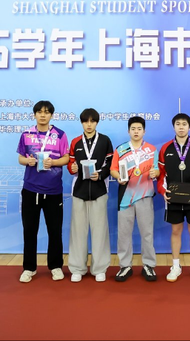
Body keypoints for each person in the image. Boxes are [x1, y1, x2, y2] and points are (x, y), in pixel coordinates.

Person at [16, 100, 70, 283]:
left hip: (53, 190)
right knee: (29, 230)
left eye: (46, 112)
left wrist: (53, 162)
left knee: (55, 231)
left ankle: (55, 266)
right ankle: (29, 268)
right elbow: (20, 158)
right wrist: (28, 161)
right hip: (30, 189)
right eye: (39, 112)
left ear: (51, 115)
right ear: (34, 114)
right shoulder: (26, 134)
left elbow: (66, 158)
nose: (43, 115)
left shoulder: (60, 135)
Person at [157, 113, 190, 282]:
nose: (181, 127)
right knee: (175, 230)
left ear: (189, 127)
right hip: (173, 197)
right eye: (178, 124)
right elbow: (161, 174)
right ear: (174, 126)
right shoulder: (166, 148)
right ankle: (175, 266)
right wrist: (162, 191)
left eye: (184, 124)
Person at [110, 116, 160, 282]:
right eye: (133, 129)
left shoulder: (152, 150)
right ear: (128, 131)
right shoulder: (121, 149)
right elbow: (113, 169)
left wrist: (155, 172)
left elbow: (157, 170)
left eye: (139, 129)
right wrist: (118, 177)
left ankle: (149, 265)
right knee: (124, 233)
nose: (136, 131)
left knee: (147, 233)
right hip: (125, 197)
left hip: (145, 195)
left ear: (144, 131)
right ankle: (125, 266)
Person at [66, 108, 113, 282]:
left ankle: (99, 268)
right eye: (86, 121)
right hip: (79, 191)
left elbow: (110, 163)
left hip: (99, 190)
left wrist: (100, 174)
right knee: (78, 231)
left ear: (97, 122)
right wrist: (72, 168)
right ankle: (77, 268)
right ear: (82, 123)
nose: (89, 124)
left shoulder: (105, 140)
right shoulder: (75, 142)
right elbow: (71, 163)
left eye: (92, 121)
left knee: (100, 230)